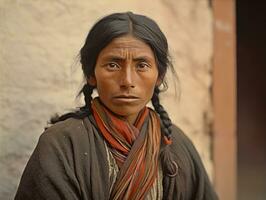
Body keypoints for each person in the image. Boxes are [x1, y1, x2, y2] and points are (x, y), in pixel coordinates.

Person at [15, 12, 218, 200]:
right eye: (113, 65)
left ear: (159, 76)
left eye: (142, 65)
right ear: (91, 75)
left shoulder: (177, 145)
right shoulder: (61, 145)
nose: (127, 80)